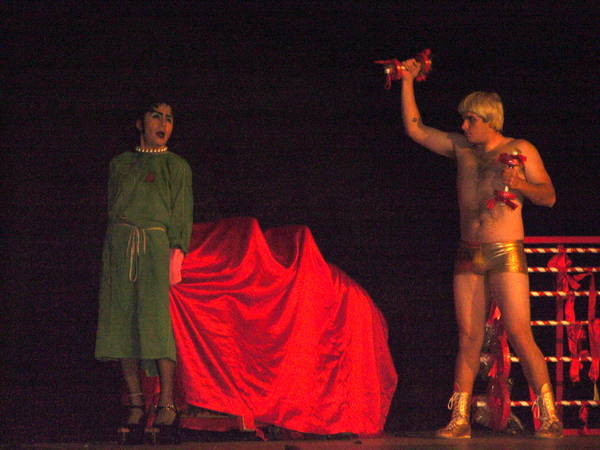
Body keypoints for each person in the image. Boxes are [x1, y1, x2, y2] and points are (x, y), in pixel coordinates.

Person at [398, 59, 562, 439]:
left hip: (505, 250)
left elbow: (549, 196)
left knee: (519, 332)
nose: (464, 126)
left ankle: (549, 415)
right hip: (468, 251)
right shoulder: (462, 149)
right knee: (469, 337)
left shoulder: (520, 148)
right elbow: (415, 129)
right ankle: (460, 419)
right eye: (464, 120)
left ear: (489, 120)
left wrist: (520, 184)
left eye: (470, 119)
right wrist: (407, 81)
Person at [95, 98, 193, 445]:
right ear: (140, 123)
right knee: (121, 321)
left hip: (154, 246)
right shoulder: (120, 163)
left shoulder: (176, 166)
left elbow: (181, 212)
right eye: (156, 116)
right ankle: (136, 404)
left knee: (155, 323)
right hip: (120, 245)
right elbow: (113, 205)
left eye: (169, 118)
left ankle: (166, 403)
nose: (163, 123)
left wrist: (176, 253)